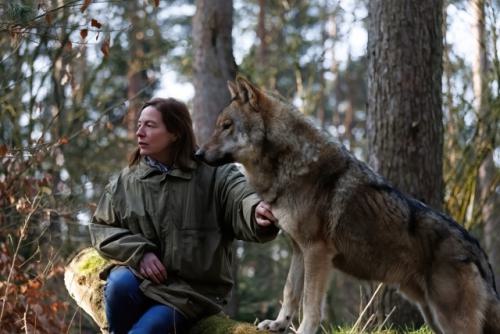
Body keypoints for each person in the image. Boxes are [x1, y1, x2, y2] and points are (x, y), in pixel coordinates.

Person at [88, 97, 279, 334]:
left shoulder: (215, 174)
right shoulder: (124, 183)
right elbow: (101, 228)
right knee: (118, 284)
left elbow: (242, 196)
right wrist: (140, 252)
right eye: (139, 124)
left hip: (190, 293)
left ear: (175, 133)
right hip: (142, 281)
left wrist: (256, 210)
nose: (140, 132)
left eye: (150, 125)